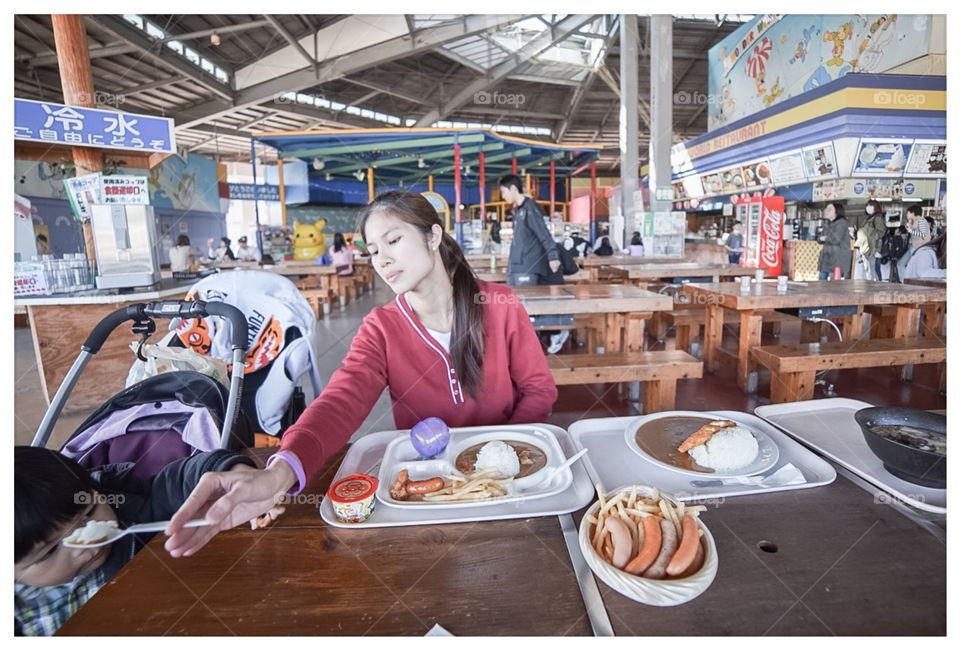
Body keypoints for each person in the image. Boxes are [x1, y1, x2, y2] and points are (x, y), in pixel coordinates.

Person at [163, 190, 559, 558]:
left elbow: (538, 389)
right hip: (430, 492)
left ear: (433, 236)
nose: (382, 259)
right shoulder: (381, 328)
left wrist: (506, 456)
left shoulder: (500, 304)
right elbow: (341, 401)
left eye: (393, 240)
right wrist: (280, 472)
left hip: (514, 483)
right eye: (373, 250)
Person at [14, 446, 257, 635]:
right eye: (50, 551)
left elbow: (181, 480)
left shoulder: (126, 502)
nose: (87, 544)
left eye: (89, 513)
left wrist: (235, 476)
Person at [498, 174, 561, 285]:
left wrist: (553, 256)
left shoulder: (530, 208)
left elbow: (543, 233)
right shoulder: (518, 211)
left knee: (525, 296)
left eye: (504, 192)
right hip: (515, 267)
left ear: (513, 188)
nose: (503, 196)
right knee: (511, 296)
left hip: (528, 266)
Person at [818, 202, 852, 280]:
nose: (826, 211)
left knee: (834, 284)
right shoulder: (827, 223)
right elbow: (819, 238)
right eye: (826, 209)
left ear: (837, 211)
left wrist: (825, 238)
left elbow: (836, 239)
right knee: (821, 282)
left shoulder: (842, 223)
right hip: (826, 259)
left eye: (830, 209)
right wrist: (823, 238)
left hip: (837, 260)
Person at [858, 200, 887, 280]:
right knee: (870, 271)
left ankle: (876, 286)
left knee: (874, 271)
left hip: (874, 249)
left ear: (875, 207)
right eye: (867, 205)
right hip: (868, 248)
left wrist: (872, 238)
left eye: (870, 205)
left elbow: (881, 232)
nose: (868, 207)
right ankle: (873, 285)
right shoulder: (869, 218)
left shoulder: (877, 218)